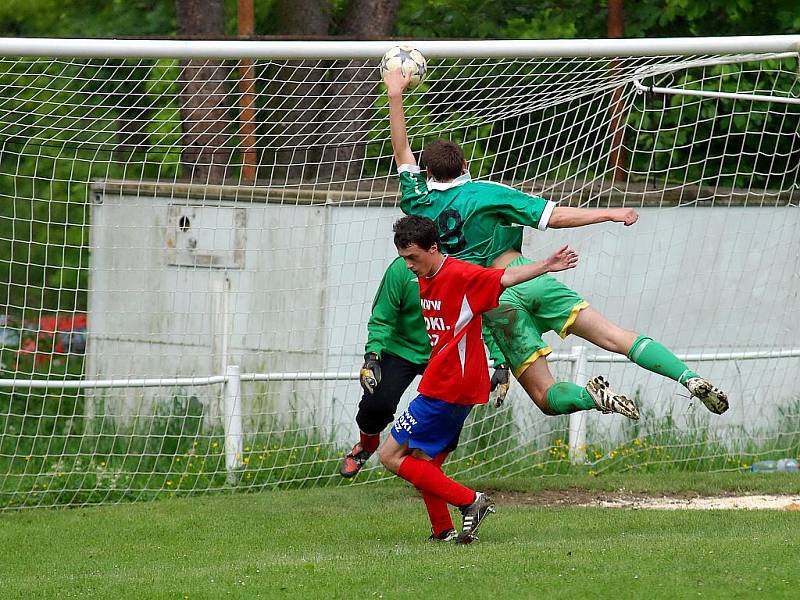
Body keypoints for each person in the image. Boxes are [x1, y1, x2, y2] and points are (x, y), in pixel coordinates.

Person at [382, 68, 728, 421]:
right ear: (465, 165)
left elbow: (402, 148)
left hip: (491, 300)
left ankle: (593, 397)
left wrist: (395, 94)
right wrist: (609, 213)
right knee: (614, 336)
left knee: (545, 396)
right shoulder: (488, 193)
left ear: (427, 173)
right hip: (528, 275)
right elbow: (554, 216)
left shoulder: (417, 200)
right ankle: (689, 377)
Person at [380, 215, 579, 544]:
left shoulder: (460, 273)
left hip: (448, 386)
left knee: (390, 456)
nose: (409, 266)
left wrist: (546, 264)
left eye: (413, 258)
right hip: (451, 383)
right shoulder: (425, 273)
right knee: (422, 465)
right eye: (404, 259)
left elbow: (505, 277)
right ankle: (442, 531)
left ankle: (471, 501)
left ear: (433, 248)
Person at [341, 258, 512, 478]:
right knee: (376, 405)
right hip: (402, 349)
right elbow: (382, 318)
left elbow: (482, 319)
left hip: (444, 352)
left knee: (451, 416)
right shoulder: (402, 269)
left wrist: (500, 362)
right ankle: (366, 446)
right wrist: (372, 356)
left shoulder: (464, 270)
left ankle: (429, 475)